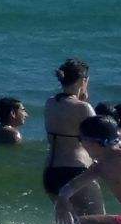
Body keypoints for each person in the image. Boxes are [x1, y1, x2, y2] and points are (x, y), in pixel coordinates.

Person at [43, 59, 101, 214]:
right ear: (83, 81)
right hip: (75, 171)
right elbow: (101, 141)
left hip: (50, 173)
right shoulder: (83, 108)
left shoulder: (50, 103)